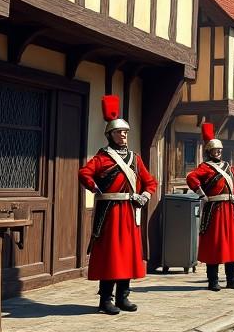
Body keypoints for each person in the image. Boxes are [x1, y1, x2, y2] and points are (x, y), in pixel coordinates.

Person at [77, 97, 156, 314]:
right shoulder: (102, 157)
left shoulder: (135, 158)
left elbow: (150, 181)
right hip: (110, 213)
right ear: (109, 134)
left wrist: (144, 196)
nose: (123, 135)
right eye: (119, 132)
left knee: (128, 255)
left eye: (126, 132)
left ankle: (123, 297)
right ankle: (105, 299)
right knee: (111, 256)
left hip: (130, 213)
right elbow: (84, 173)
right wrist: (96, 189)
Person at [186, 122, 234, 292]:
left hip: (230, 209)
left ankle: (231, 279)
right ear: (209, 151)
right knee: (214, 245)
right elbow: (191, 178)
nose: (218, 152)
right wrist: (201, 193)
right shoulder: (204, 168)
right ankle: (213, 280)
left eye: (220, 149)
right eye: (215, 150)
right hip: (214, 211)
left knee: (232, 244)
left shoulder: (230, 168)